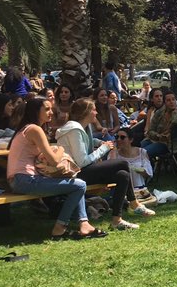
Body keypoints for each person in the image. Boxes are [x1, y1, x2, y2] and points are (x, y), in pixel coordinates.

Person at [6, 97, 106, 240]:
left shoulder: (26, 128)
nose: (51, 112)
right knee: (79, 185)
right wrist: (59, 149)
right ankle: (61, 228)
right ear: (35, 111)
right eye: (46, 109)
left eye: (51, 109)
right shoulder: (34, 129)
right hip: (25, 180)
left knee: (75, 184)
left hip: (20, 180)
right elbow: (54, 161)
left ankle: (84, 224)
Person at [57, 98, 155, 229]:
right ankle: (134, 203)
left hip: (84, 170)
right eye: (93, 109)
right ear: (86, 112)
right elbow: (82, 161)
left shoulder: (82, 128)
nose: (96, 113)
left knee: (122, 175)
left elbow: (84, 142)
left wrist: (98, 143)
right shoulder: (74, 129)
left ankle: (117, 220)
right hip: (75, 173)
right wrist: (103, 149)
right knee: (122, 164)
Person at [111, 130, 156, 202]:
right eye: (117, 137)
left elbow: (148, 173)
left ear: (131, 140)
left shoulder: (142, 152)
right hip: (121, 190)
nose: (118, 140)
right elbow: (111, 170)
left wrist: (133, 168)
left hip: (140, 189)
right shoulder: (114, 154)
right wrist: (113, 150)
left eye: (122, 137)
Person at [141, 91, 177, 159]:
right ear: (164, 102)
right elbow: (150, 130)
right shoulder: (159, 113)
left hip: (169, 145)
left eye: (173, 99)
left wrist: (175, 112)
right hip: (155, 139)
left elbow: (176, 122)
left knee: (144, 153)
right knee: (139, 149)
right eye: (168, 100)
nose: (171, 102)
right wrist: (158, 136)